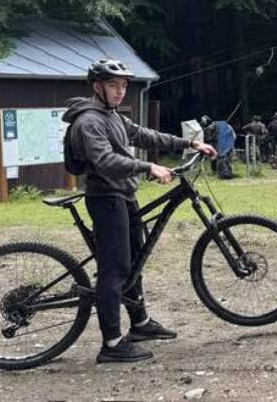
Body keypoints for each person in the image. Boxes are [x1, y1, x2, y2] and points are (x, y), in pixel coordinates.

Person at [63, 59, 217, 364]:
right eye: (113, 85)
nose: (120, 91)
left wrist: (189, 143)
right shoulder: (89, 122)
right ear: (97, 87)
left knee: (134, 262)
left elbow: (146, 136)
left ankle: (140, 324)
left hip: (124, 195)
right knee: (115, 270)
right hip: (106, 199)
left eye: (123, 85)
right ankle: (111, 343)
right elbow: (105, 161)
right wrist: (148, 167)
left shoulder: (113, 116)